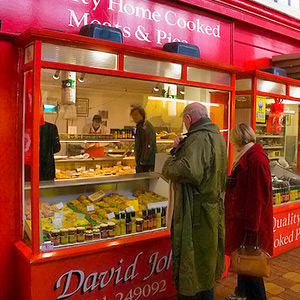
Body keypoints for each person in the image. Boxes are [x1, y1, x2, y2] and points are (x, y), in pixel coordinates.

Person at [162, 102, 228, 300]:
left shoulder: (197, 138)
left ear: (189, 119)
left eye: (184, 121)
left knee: (191, 267)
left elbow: (189, 171)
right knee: (205, 266)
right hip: (211, 209)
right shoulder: (217, 136)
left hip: (194, 213)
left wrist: (171, 156)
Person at [225, 123, 273, 300]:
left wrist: (251, 230)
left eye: (233, 141)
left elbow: (257, 197)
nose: (232, 145)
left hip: (251, 225)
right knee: (243, 261)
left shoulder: (255, 160)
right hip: (244, 221)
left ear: (238, 140)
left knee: (252, 267)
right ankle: (242, 292)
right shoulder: (248, 156)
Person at [130, 106, 156, 173]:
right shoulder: (140, 126)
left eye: (136, 114)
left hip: (146, 164)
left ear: (142, 115)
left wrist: (142, 161)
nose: (134, 117)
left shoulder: (145, 127)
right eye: (132, 115)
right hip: (142, 163)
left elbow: (148, 144)